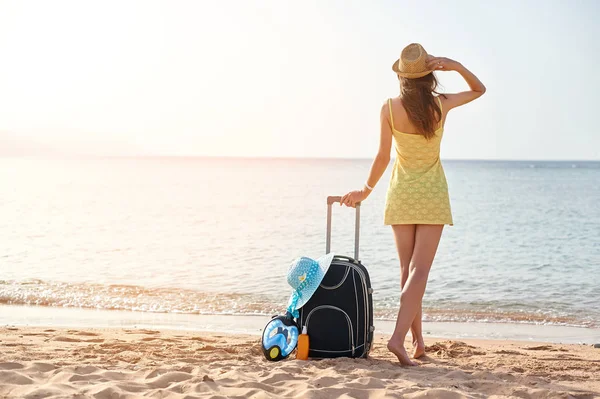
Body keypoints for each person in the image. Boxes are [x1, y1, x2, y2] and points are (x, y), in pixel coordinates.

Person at [340, 43, 486, 366]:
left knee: (408, 272)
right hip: (432, 194)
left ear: (403, 78)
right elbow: (479, 89)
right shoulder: (441, 105)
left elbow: (382, 157)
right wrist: (455, 64)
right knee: (419, 273)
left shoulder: (389, 109)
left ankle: (418, 343)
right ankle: (397, 339)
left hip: (402, 193)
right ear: (429, 75)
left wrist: (365, 191)